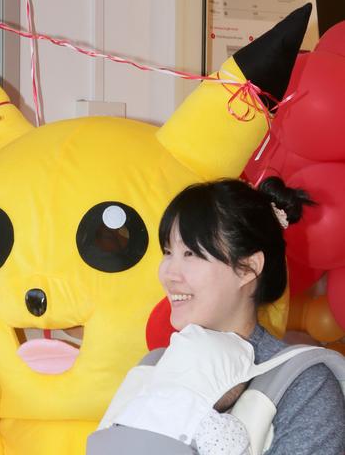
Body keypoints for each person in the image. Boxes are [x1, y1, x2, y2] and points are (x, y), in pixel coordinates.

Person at [91, 177, 345, 455]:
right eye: (167, 252)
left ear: (248, 268)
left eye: (190, 253)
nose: (169, 274)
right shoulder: (153, 365)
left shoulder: (303, 384)